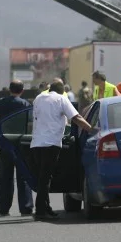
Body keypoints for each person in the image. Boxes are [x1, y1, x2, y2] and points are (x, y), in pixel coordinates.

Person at [30, 79, 91, 220]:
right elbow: (76, 117)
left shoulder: (38, 98)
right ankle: (40, 211)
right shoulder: (61, 99)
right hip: (51, 143)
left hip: (36, 143)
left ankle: (46, 208)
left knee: (42, 177)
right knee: (46, 178)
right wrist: (91, 129)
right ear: (62, 90)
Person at [0, 80, 34, 217]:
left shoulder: (2, 102)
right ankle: (26, 208)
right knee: (24, 177)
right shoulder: (25, 104)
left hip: (5, 144)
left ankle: (4, 209)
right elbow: (31, 122)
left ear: (10, 90)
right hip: (21, 145)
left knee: (5, 178)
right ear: (22, 90)